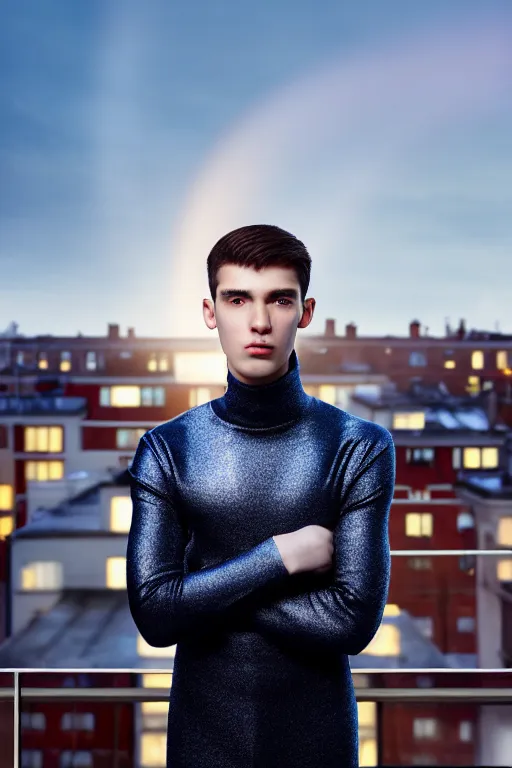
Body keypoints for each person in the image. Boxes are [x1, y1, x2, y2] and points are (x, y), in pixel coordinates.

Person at [126, 224, 396, 768]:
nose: (259, 322)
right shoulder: (165, 449)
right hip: (202, 745)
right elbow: (155, 618)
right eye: (237, 299)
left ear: (306, 310)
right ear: (210, 311)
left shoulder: (359, 446)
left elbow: (352, 623)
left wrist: (202, 589)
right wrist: (280, 557)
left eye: (279, 299)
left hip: (319, 746)